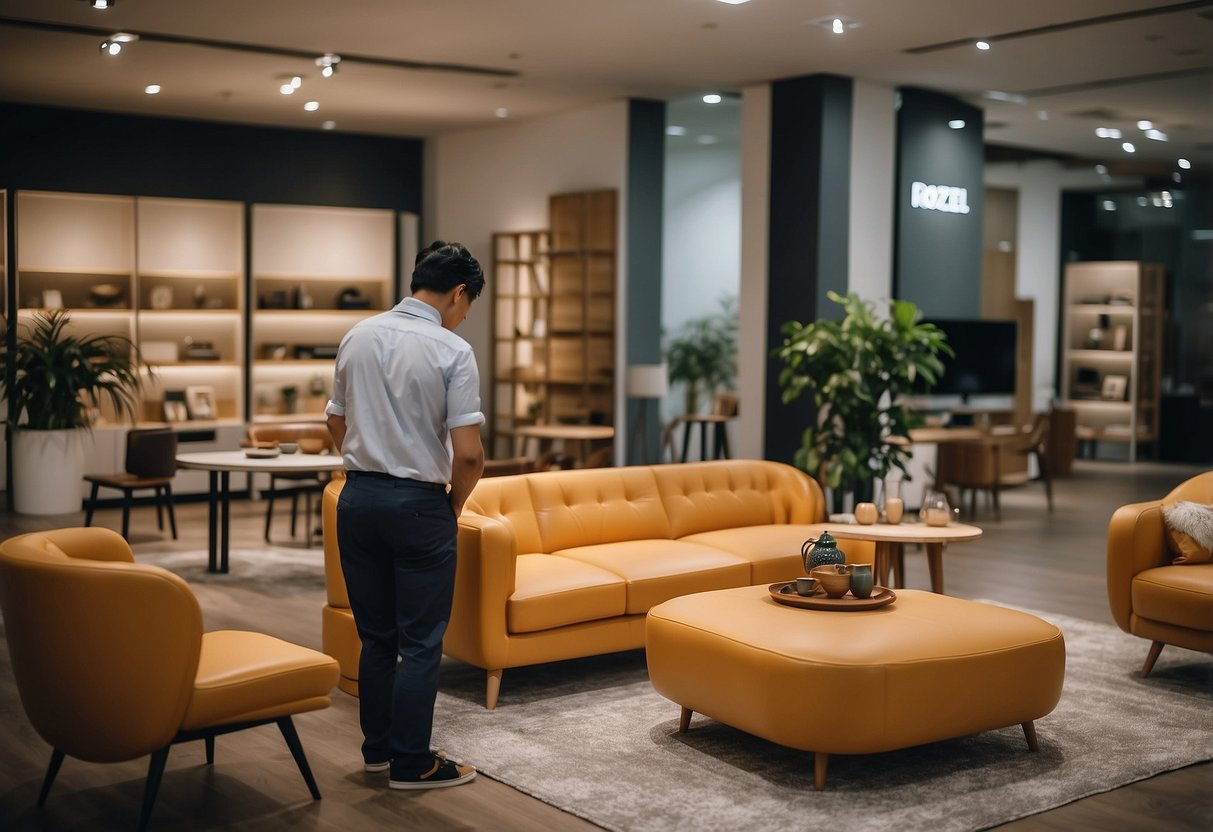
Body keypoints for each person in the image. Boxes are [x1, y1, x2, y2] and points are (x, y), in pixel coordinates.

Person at [325, 240, 486, 790]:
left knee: (376, 637)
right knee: (420, 641)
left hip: (358, 502)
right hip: (419, 507)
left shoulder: (357, 335)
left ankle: (377, 751)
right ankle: (412, 763)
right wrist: (454, 503)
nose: (464, 318)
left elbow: (335, 420)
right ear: (458, 293)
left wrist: (362, 466)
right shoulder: (452, 350)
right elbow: (467, 453)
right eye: (468, 306)